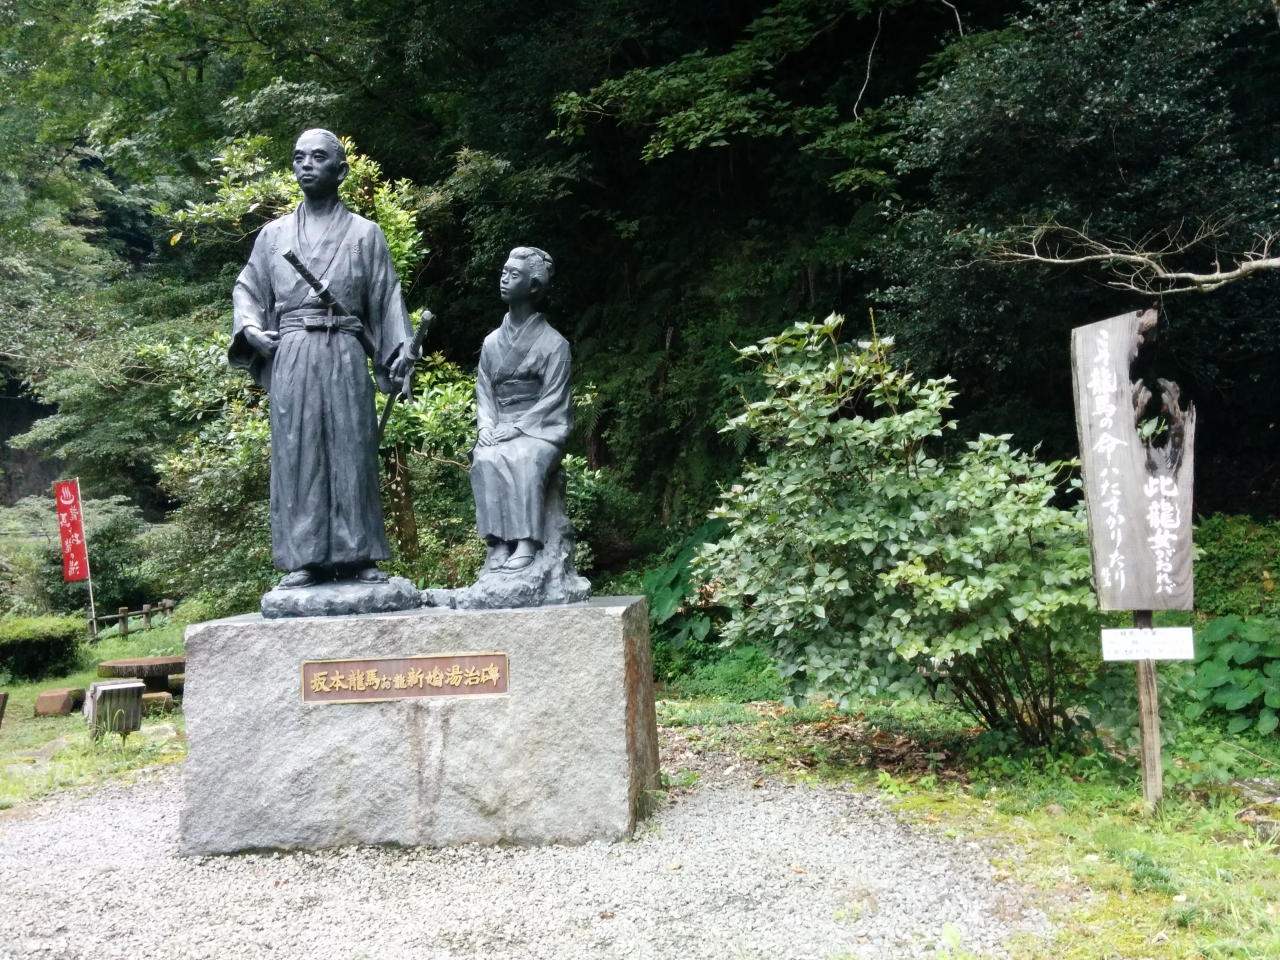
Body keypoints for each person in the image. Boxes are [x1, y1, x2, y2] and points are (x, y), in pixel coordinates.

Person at [229, 128, 415, 589]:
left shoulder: (365, 234)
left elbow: (386, 298)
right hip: (292, 351)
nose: (306, 164)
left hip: (346, 351)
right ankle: (304, 558)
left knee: (353, 448)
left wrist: (398, 355)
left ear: (341, 170)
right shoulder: (273, 235)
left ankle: (358, 554)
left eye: (317, 157)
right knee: (298, 451)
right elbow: (247, 289)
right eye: (298, 157)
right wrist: (251, 330)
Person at [471, 247, 573, 573]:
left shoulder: (555, 344)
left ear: (533, 286)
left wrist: (517, 428)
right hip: (499, 423)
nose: (504, 279)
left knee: (524, 457)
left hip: (540, 429)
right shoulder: (491, 343)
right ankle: (498, 541)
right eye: (504, 272)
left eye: (513, 275)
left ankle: (527, 542)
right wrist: (486, 427)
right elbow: (484, 392)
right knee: (485, 457)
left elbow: (554, 398)